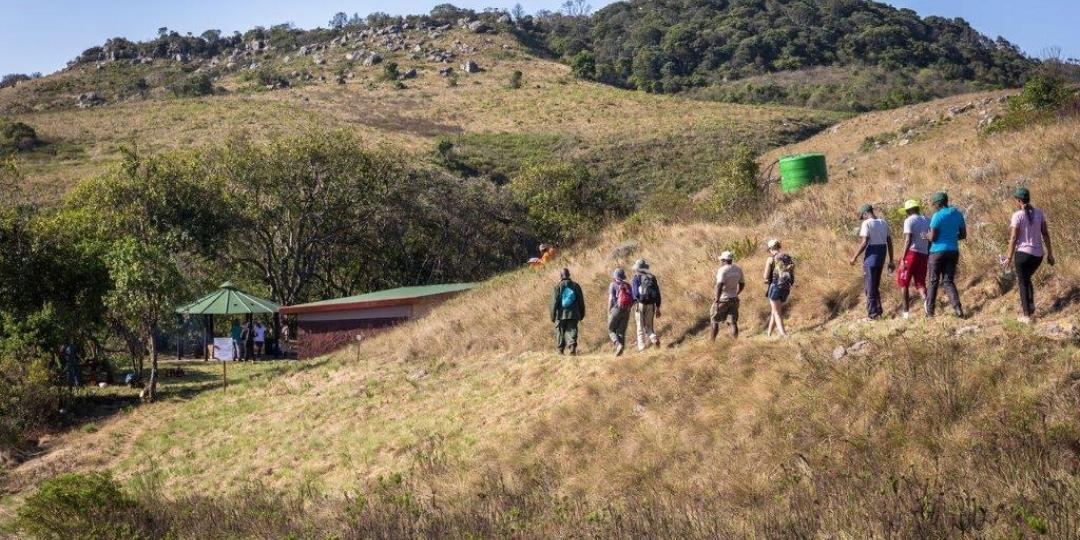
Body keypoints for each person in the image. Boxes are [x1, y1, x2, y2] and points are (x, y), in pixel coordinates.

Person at [1002, 187, 1055, 323]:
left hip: (1022, 255)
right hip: (1038, 255)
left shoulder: (1017, 215)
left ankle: (1027, 316)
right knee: (1026, 278)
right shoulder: (1039, 213)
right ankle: (1031, 305)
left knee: (1022, 282)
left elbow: (1013, 238)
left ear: (1019, 200)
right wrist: (1050, 254)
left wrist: (1008, 257)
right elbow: (1046, 234)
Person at [849, 204, 895, 320]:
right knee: (875, 286)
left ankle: (872, 315)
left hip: (871, 258)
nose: (863, 219)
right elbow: (889, 241)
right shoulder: (883, 222)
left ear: (866, 213)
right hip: (882, 256)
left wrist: (854, 257)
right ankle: (878, 312)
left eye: (863, 216)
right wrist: (891, 259)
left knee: (869, 288)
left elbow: (864, 242)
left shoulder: (867, 223)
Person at [924, 192, 966, 318]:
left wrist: (926, 236)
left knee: (933, 281)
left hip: (937, 252)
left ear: (938, 203)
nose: (933, 206)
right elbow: (963, 235)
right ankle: (958, 309)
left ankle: (930, 312)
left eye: (934, 204)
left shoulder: (937, 216)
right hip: (953, 250)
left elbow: (933, 237)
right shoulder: (957, 214)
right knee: (948, 281)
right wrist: (951, 237)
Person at [896, 199, 930, 319]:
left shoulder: (909, 220)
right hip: (924, 254)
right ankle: (927, 305)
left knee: (903, 283)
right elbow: (930, 237)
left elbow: (908, 240)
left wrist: (902, 259)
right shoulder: (927, 220)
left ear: (909, 210)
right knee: (920, 283)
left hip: (911, 254)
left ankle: (905, 313)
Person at [763, 239, 795, 337]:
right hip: (786, 287)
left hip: (775, 287)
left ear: (771, 248)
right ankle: (768, 334)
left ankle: (784, 335)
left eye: (769, 250)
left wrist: (766, 279)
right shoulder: (787, 257)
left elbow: (765, 276)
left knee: (777, 312)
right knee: (774, 310)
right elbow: (792, 271)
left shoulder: (771, 259)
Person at [550, 268, 585, 355]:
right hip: (573, 314)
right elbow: (581, 301)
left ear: (561, 276)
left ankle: (560, 350)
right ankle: (572, 346)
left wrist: (552, 316)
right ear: (569, 275)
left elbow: (554, 302)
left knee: (560, 331)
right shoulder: (576, 286)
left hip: (561, 315)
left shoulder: (557, 287)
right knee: (572, 330)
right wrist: (581, 313)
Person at [711, 251, 745, 340]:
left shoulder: (722, 270)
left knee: (714, 320)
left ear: (723, 260)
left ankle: (711, 342)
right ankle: (736, 342)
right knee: (733, 322)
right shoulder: (738, 269)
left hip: (723, 299)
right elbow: (742, 284)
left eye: (721, 260)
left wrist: (717, 301)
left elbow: (719, 285)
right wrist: (736, 293)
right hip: (734, 299)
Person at [631, 259, 662, 351]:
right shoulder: (652, 277)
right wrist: (658, 307)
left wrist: (635, 301)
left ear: (637, 268)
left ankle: (642, 348)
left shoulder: (636, 278)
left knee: (640, 327)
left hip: (639, 304)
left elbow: (635, 294)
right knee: (649, 326)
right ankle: (653, 338)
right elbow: (658, 293)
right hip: (651, 305)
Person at [607, 268, 633, 356]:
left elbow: (610, 299)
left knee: (611, 330)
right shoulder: (628, 285)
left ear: (615, 276)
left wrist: (609, 311)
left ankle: (618, 345)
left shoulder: (612, 285)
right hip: (626, 310)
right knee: (621, 332)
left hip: (615, 309)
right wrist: (629, 308)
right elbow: (632, 299)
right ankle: (620, 352)